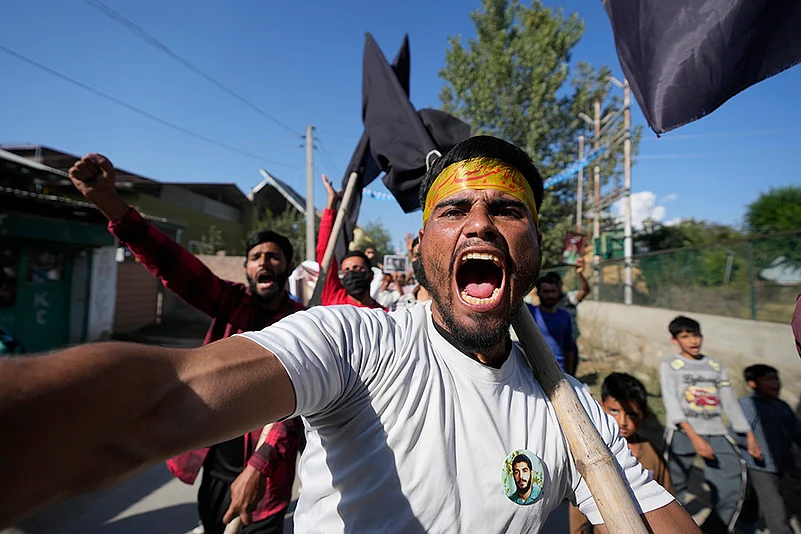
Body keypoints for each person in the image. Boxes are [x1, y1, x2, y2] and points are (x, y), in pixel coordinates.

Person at [0, 136, 700, 533]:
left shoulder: (572, 411)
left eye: (507, 210)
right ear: (421, 244)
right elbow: (161, 400)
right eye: (454, 207)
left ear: (534, 245)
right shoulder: (353, 339)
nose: (480, 223)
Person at [66, 154, 305, 534]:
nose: (264, 263)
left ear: (288, 268)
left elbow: (294, 407)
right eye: (256, 257)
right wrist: (109, 202)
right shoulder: (230, 302)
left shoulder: (302, 325)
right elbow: (172, 263)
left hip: (267, 470)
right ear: (246, 268)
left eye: (274, 257)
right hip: (217, 456)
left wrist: (258, 468)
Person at [660, 315, 762, 533]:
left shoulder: (715, 366)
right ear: (675, 340)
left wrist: (749, 435)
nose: (693, 341)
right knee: (671, 484)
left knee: (732, 485)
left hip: (716, 431)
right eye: (685, 336)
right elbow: (671, 403)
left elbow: (729, 403)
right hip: (682, 433)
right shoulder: (670, 365)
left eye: (696, 335)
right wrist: (695, 439)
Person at [570, 372, 675, 534]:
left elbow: (667, 497)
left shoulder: (652, 454)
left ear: (644, 417)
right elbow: (578, 511)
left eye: (631, 414)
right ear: (600, 407)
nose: (622, 422)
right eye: (614, 410)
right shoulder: (592, 453)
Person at [736, 364, 801, 534]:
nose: (775, 383)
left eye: (776, 379)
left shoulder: (782, 406)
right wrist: (751, 444)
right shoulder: (748, 404)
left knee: (787, 504)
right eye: (769, 379)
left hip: (785, 466)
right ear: (753, 383)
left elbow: (797, 433)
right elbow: (737, 432)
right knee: (776, 511)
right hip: (761, 467)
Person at [317, 175, 383, 309]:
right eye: (346, 270)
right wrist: (331, 202)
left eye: (357, 268)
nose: (351, 273)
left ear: (370, 275)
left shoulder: (383, 315)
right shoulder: (334, 298)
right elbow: (325, 250)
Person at [526, 274, 576, 374]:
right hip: (532, 371)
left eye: (553, 292)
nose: (549, 295)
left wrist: (570, 375)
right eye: (546, 292)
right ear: (538, 293)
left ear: (558, 293)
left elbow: (568, 348)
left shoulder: (564, 316)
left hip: (559, 371)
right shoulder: (529, 313)